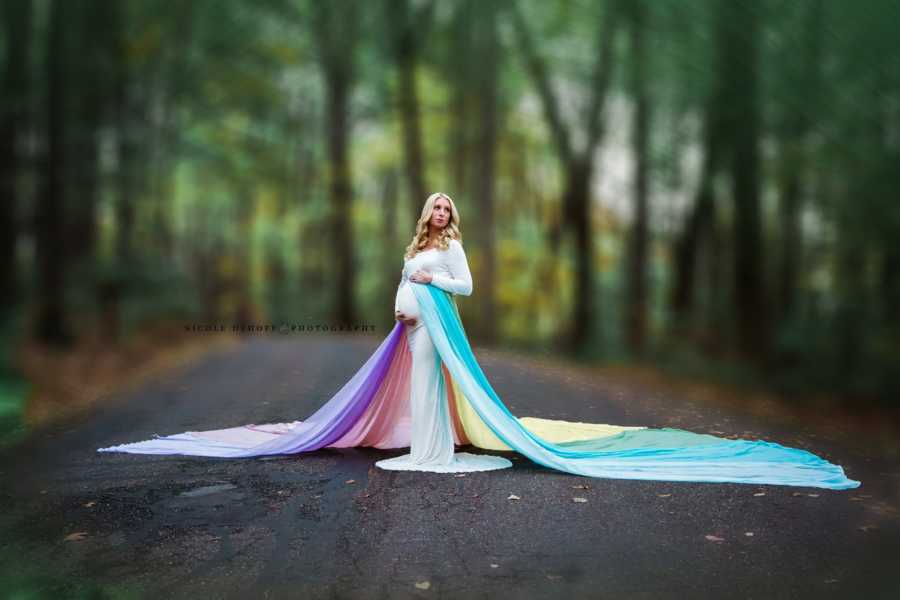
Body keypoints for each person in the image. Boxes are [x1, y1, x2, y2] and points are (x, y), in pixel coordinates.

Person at [97, 192, 860, 490]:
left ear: (452, 217)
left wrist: (431, 285)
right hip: (413, 329)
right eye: (432, 207)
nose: (437, 213)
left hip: (444, 322)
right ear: (422, 214)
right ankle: (424, 446)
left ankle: (437, 451)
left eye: (444, 208)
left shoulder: (456, 250)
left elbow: (463, 290)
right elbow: (403, 287)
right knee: (416, 378)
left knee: (440, 385)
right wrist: (404, 300)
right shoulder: (413, 244)